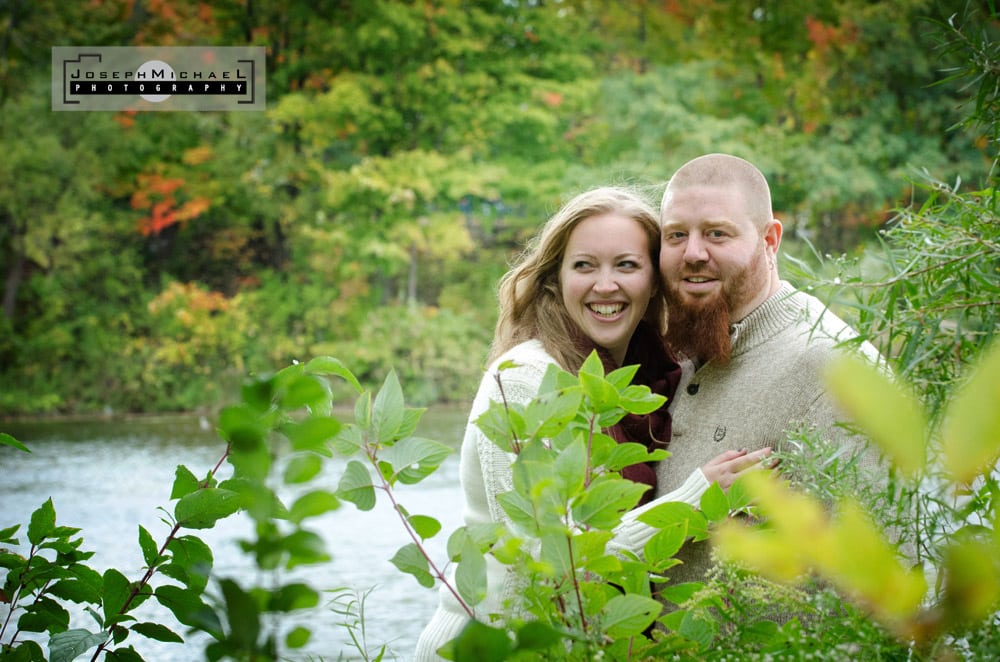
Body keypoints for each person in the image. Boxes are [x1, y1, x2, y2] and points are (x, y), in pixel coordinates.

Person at [414, 186, 769, 660]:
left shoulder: (646, 381)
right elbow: (550, 565)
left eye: (626, 265)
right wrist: (694, 501)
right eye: (584, 266)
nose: (606, 285)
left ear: (654, 281)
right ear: (554, 279)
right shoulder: (524, 381)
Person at [649, 152, 884, 587]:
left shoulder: (836, 371)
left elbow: (876, 577)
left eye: (717, 233)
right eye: (676, 235)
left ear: (770, 239)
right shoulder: (675, 351)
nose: (693, 253)